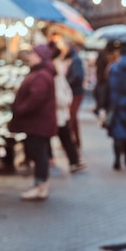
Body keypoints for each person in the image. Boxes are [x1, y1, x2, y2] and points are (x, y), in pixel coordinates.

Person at [8, 44, 58, 201]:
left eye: (33, 54)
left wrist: (20, 109)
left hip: (39, 123)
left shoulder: (41, 75)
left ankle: (40, 186)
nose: (30, 57)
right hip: (38, 123)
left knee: (39, 153)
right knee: (38, 153)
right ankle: (39, 184)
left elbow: (36, 99)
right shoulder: (41, 73)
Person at [48, 39, 85, 173]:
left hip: (61, 105)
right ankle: (73, 159)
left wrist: (65, 99)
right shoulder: (60, 64)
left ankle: (71, 158)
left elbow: (74, 78)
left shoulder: (69, 62)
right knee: (65, 130)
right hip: (62, 105)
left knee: (67, 126)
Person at [64, 41, 85, 149]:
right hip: (75, 92)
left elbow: (77, 76)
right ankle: (76, 141)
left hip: (75, 92)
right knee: (73, 117)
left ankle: (72, 142)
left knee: (71, 117)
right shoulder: (73, 59)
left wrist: (67, 83)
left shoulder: (75, 60)